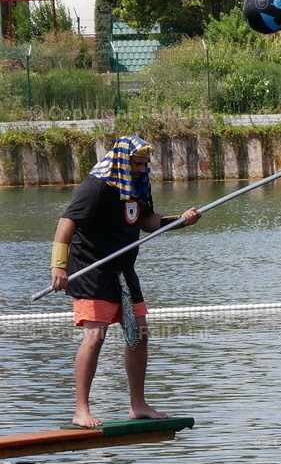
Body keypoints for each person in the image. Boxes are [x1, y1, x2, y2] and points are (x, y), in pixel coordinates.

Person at [49, 135, 201, 428]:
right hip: (91, 269)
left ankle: (138, 405)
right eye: (137, 165)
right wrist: (58, 265)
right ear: (122, 162)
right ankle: (81, 409)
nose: (142, 170)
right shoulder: (97, 185)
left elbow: (147, 222)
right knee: (95, 337)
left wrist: (180, 221)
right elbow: (66, 221)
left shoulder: (138, 187)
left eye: (145, 165)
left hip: (122, 269)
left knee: (139, 334)